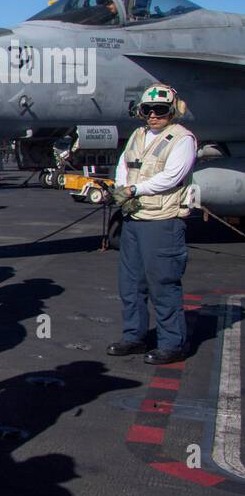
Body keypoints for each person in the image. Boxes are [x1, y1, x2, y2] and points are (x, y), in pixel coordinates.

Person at [106, 84, 197, 365]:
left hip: (162, 222)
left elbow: (172, 176)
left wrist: (134, 191)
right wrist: (122, 187)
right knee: (131, 284)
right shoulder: (138, 135)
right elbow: (124, 164)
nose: (153, 115)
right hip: (134, 219)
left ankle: (172, 343)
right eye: (148, 110)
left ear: (172, 111)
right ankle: (134, 336)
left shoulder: (182, 139)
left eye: (160, 110)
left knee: (163, 284)